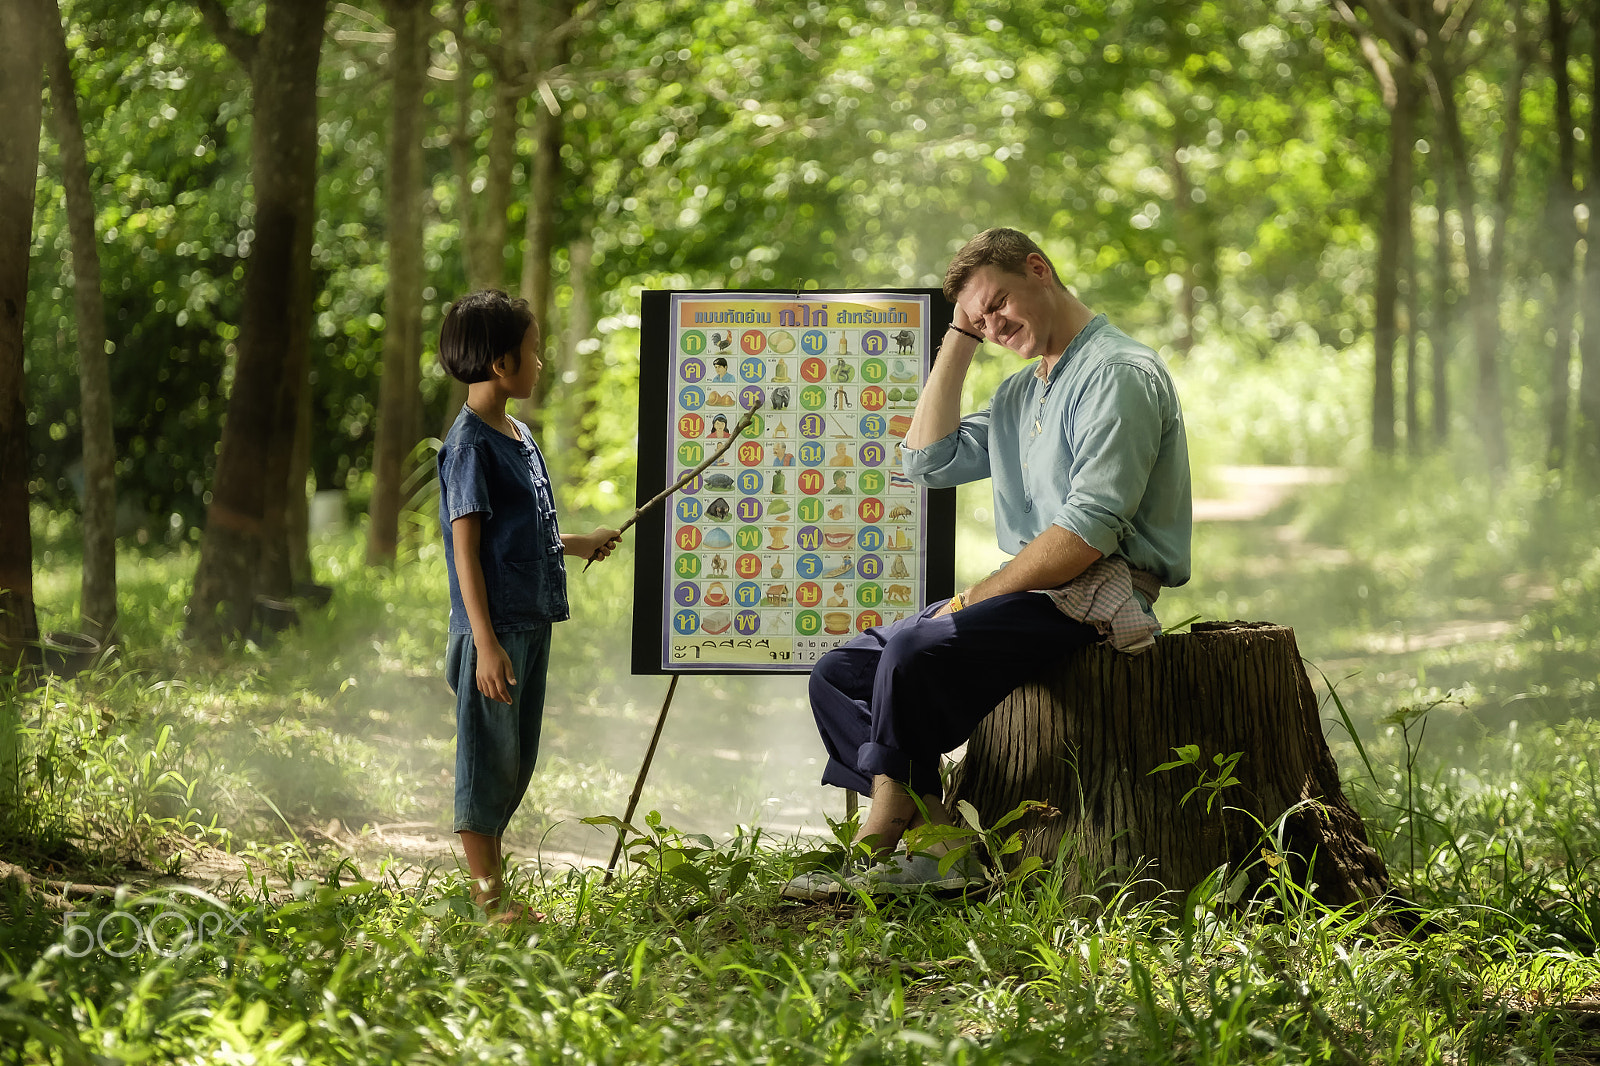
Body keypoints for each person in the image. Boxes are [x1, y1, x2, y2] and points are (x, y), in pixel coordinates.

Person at [786, 228, 1191, 898]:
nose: (996, 326)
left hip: (1096, 588)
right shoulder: (1021, 394)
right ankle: (941, 839)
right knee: (837, 672)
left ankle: (882, 841)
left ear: (1039, 269)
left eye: (999, 305)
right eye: (982, 320)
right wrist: (960, 337)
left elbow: (1085, 535)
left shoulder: (1117, 374)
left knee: (915, 651)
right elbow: (925, 460)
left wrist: (971, 600)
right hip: (1039, 589)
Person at [436, 290, 622, 922]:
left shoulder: (516, 435)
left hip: (530, 619)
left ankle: (498, 892)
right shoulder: (469, 448)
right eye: (533, 352)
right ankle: (489, 902)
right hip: (496, 630)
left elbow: (526, 533)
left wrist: (578, 543)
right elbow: (466, 554)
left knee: (515, 761)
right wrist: (484, 643)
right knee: (486, 763)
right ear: (498, 364)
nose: (540, 364)